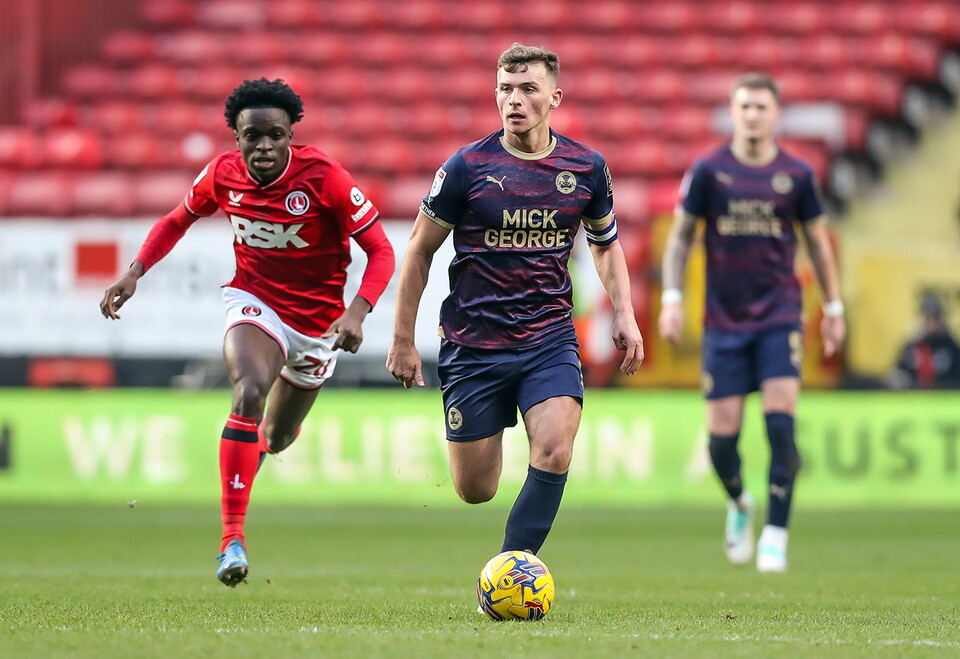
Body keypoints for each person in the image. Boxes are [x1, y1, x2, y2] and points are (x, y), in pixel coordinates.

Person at [99, 78, 395, 587]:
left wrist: (357, 312)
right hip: (255, 302)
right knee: (249, 390)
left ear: (289, 136)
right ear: (236, 137)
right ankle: (230, 540)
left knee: (276, 438)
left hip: (320, 326)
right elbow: (175, 220)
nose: (262, 146)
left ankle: (255, 449)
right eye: (251, 136)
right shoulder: (222, 174)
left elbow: (382, 250)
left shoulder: (324, 177)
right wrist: (135, 270)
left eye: (274, 136)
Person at [386, 43, 643, 572]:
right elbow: (418, 249)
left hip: (548, 338)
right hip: (473, 343)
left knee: (555, 447)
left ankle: (509, 571)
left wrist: (624, 311)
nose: (515, 100)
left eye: (528, 89)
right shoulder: (466, 167)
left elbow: (605, 243)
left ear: (554, 97)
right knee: (476, 489)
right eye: (506, 89)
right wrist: (402, 338)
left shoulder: (587, 168)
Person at [658, 72, 845, 573]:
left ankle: (776, 535)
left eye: (762, 107)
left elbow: (817, 246)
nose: (753, 115)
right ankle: (740, 503)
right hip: (723, 321)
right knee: (722, 440)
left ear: (775, 113)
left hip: (780, 315)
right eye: (745, 107)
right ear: (734, 112)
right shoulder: (708, 170)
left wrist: (833, 308)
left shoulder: (797, 175)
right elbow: (680, 239)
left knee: (781, 426)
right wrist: (671, 298)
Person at [888, 292, 960, 389]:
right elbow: (897, 373)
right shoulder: (910, 347)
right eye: (927, 318)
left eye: (934, 318)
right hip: (913, 398)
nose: (930, 323)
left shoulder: (951, 348)